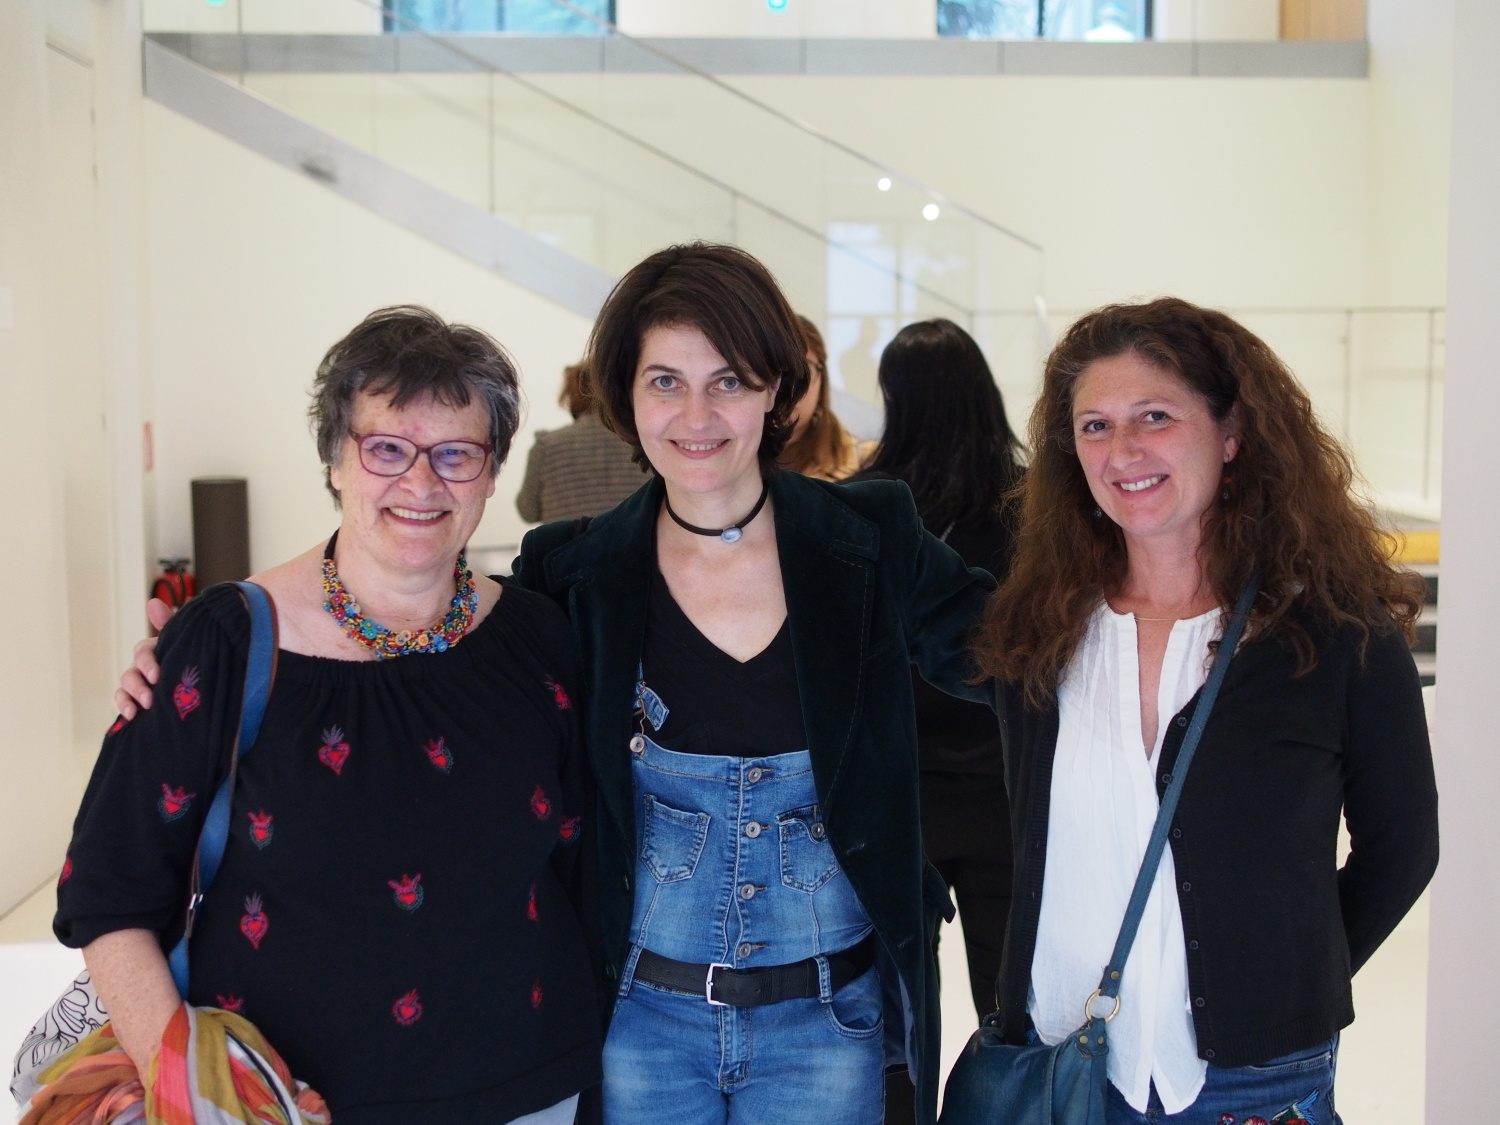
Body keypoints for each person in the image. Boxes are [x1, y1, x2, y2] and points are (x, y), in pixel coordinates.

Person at [72, 307, 602, 1123]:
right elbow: (109, 891)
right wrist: (190, 1088)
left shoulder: (539, 637)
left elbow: (582, 862)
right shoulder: (227, 642)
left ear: (493, 471)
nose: (421, 483)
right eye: (386, 448)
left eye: (456, 453)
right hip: (284, 1102)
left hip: (529, 1091)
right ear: (334, 458)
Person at [510, 244, 991, 1124]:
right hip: (641, 1025)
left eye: (727, 380)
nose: (696, 415)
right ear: (626, 394)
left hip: (826, 1022)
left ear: (779, 389)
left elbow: (1012, 653)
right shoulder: (571, 573)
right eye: (665, 381)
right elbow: (471, 712)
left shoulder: (868, 538)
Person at [972, 297, 1439, 1123]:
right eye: (1095, 426)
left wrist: (1288, 980)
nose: (1123, 450)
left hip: (1251, 1083)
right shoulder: (1039, 633)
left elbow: (1402, 850)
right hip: (1063, 1069)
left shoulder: (1334, 638)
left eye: (1155, 416)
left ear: (1231, 433)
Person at [852, 317, 1024, 1023]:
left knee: (894, 1013)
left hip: (897, 791)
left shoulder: (864, 508)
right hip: (1008, 786)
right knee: (1013, 1010)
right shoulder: (1034, 508)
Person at [516, 360, 644, 522]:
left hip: (568, 539)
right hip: (635, 538)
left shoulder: (547, 447)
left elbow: (527, 511)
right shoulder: (641, 444)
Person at [775, 314, 872, 481]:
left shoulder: (866, 460)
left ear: (822, 377)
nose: (790, 389)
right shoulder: (733, 458)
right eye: (775, 372)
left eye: (803, 373)